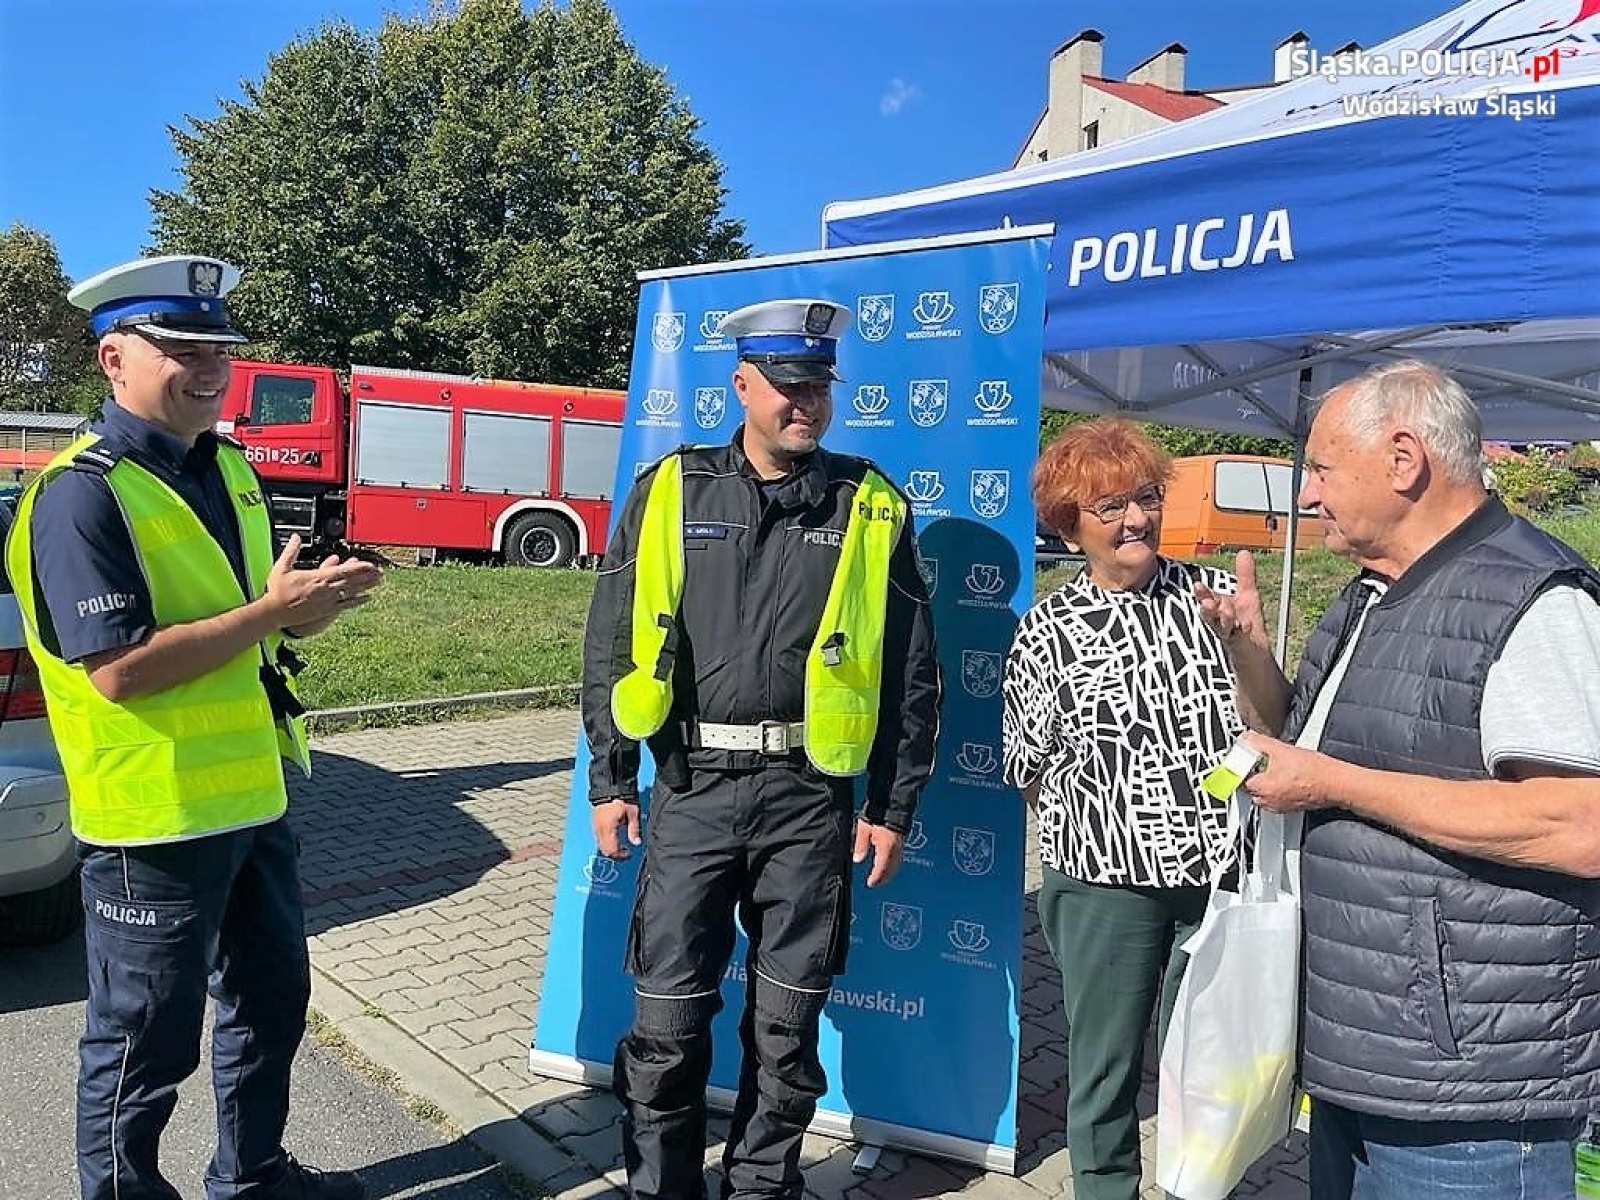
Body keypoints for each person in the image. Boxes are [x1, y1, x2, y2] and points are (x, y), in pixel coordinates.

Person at [5, 255, 381, 1200]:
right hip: (152, 822)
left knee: (271, 1006)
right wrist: (269, 614)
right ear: (113, 358)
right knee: (144, 1043)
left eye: (221, 347)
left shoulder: (229, 467)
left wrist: (307, 607)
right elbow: (121, 669)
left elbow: (241, 624)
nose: (209, 366)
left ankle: (250, 1177)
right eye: (180, 347)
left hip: (253, 799)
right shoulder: (80, 494)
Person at [1203, 360, 1600, 1199]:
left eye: (1320, 468)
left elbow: (1578, 826)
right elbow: (1306, 741)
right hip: (1366, 1053)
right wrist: (1247, 651)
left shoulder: (1533, 599)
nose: (1308, 495)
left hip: (1468, 1095)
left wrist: (1335, 785)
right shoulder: (1374, 590)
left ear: (1404, 460)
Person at [581, 297, 940, 1200]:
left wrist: (893, 808)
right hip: (691, 786)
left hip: (807, 799)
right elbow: (611, 639)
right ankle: (660, 1188)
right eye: (786, 385)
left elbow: (912, 674)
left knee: (787, 1028)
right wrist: (609, 777)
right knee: (666, 1022)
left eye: (817, 385)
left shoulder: (870, 503)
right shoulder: (672, 488)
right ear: (741, 385)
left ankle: (760, 1187)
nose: (804, 404)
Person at [1001, 417, 1254, 1200]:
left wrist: (1250, 647)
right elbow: (1026, 768)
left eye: (1144, 498)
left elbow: (1270, 724)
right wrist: (1109, 822)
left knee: (1205, 1065)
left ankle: (1194, 1187)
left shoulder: (1209, 603)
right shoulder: (1046, 632)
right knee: (1104, 1071)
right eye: (1107, 508)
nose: (1135, 519)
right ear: (1069, 526)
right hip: (1104, 888)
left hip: (1216, 877)